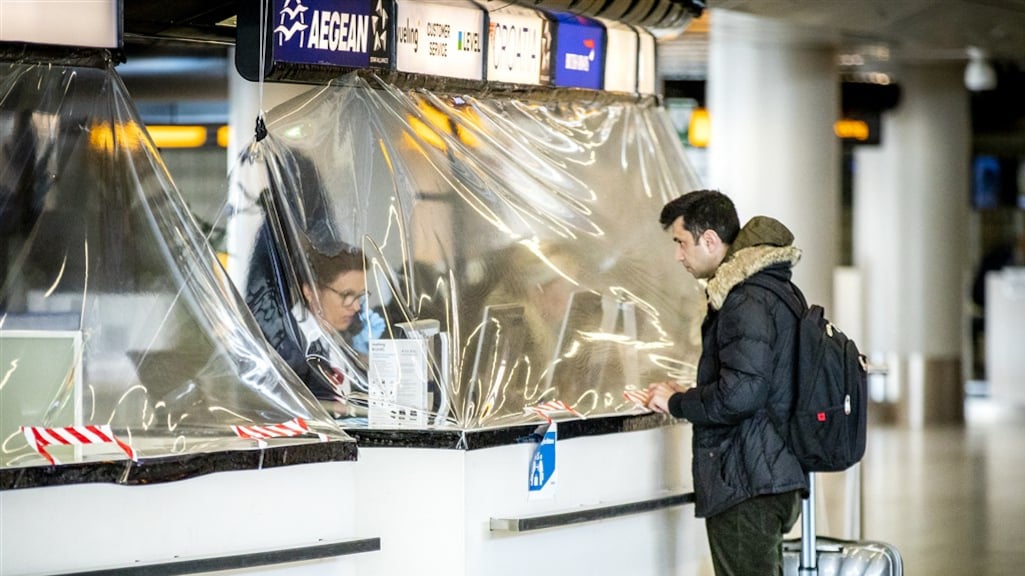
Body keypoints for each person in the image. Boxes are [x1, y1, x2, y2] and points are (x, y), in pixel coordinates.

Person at [645, 189, 806, 576]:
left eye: (681, 242)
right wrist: (693, 392)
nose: (678, 255)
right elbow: (753, 381)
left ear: (710, 239)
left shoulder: (745, 299)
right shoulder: (770, 289)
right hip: (768, 472)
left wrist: (677, 403)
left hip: (746, 480)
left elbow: (742, 395)